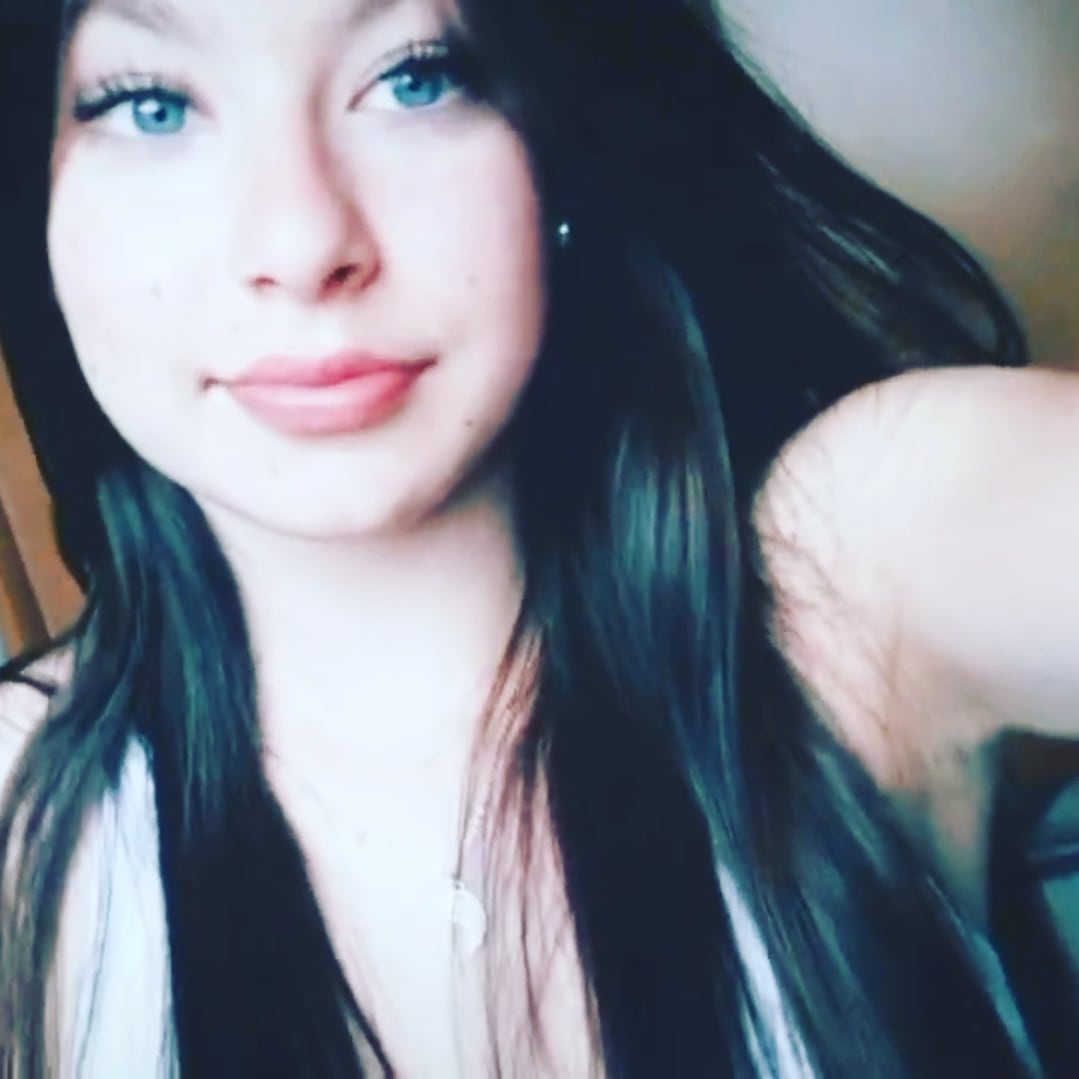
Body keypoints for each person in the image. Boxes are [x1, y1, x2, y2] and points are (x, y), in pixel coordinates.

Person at [0, 0, 1072, 1074]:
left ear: (559, 134)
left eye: (417, 77)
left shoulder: (855, 570)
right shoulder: (18, 807)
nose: (302, 241)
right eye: (150, 105)